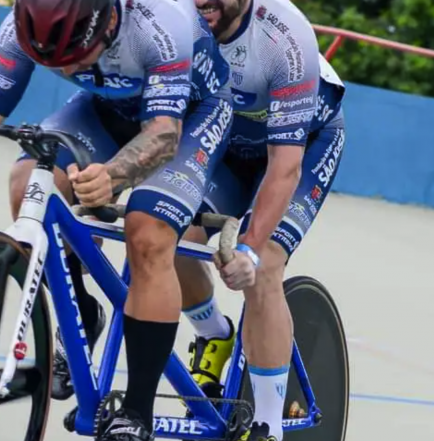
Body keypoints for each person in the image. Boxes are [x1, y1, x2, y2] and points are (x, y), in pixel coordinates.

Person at [0, 0, 238, 439]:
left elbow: (162, 133)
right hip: (106, 108)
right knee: (28, 182)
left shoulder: (161, 24)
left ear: (108, 21)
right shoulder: (22, 27)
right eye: (52, 63)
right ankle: (80, 310)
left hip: (189, 117)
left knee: (148, 232)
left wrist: (114, 176)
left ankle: (136, 413)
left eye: (74, 58)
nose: (65, 71)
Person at [175, 1, 348, 440]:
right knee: (171, 231)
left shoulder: (284, 37)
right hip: (231, 147)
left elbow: (283, 170)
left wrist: (250, 247)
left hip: (302, 147)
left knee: (264, 266)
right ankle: (214, 333)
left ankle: (268, 425)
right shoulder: (174, 17)